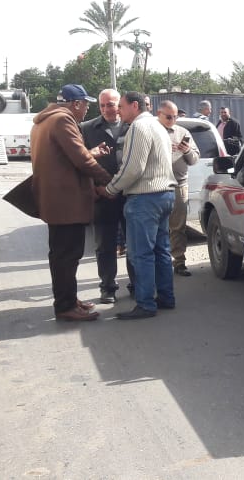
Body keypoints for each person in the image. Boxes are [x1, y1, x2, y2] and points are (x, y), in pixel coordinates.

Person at [30, 84, 113, 322]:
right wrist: (108, 182)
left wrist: (90, 152)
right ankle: (65, 306)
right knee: (67, 256)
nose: (87, 109)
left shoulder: (43, 121)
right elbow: (81, 160)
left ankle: (68, 299)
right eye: (85, 104)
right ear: (76, 103)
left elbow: (64, 157)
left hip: (55, 201)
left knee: (61, 255)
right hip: (67, 202)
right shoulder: (63, 120)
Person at [103, 91, 177, 320]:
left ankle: (145, 304)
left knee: (141, 254)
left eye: (121, 107)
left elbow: (133, 168)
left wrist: (110, 189)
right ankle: (166, 297)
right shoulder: (158, 126)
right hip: (165, 195)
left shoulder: (138, 127)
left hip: (145, 199)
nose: (118, 111)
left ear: (134, 106)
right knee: (161, 251)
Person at [80, 88, 130, 304]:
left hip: (130, 195)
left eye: (110, 104)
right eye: (102, 105)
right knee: (104, 246)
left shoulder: (132, 126)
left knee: (134, 244)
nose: (106, 109)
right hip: (103, 196)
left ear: (120, 104)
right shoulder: (87, 128)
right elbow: (80, 161)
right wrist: (92, 187)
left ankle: (137, 284)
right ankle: (107, 288)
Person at [156, 100, 200, 277]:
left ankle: (179, 262)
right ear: (159, 114)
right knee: (157, 227)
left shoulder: (183, 132)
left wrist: (186, 150)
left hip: (178, 185)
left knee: (178, 227)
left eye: (175, 117)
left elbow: (194, 159)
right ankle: (159, 262)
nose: (172, 120)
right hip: (156, 185)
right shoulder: (151, 130)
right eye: (168, 117)